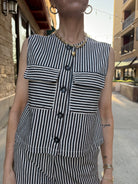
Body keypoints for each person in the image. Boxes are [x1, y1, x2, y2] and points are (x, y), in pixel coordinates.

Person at [3, 0, 115, 183]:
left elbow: (105, 116)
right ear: (53, 2)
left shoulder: (105, 54)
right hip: (31, 167)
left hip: (82, 171)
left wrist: (108, 170)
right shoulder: (33, 46)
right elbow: (18, 108)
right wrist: (8, 170)